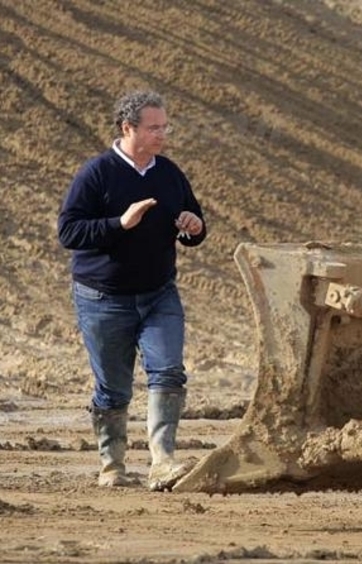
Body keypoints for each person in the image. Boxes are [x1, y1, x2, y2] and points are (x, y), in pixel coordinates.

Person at [57, 90, 206, 491]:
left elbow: (193, 224)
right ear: (128, 128)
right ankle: (112, 466)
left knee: (169, 369)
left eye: (165, 127)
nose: (163, 134)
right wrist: (119, 224)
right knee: (113, 389)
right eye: (154, 128)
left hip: (159, 293)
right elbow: (68, 232)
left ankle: (163, 461)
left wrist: (194, 227)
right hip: (102, 298)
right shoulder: (97, 173)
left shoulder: (169, 173)